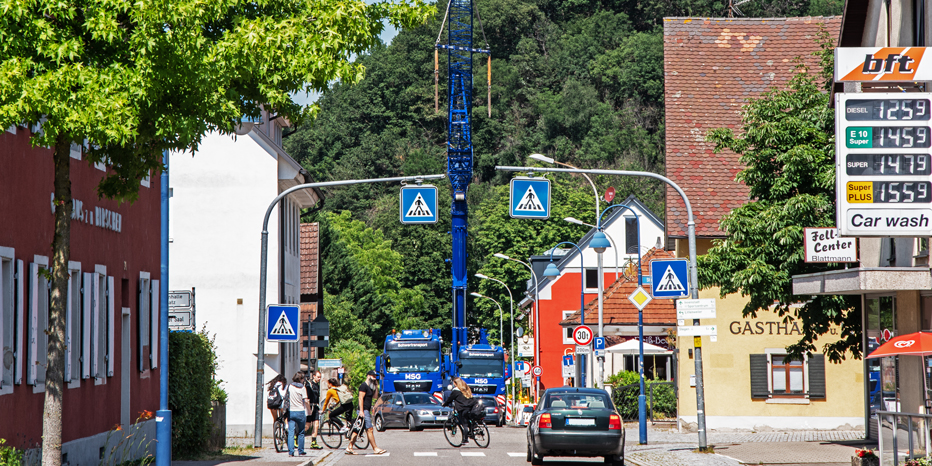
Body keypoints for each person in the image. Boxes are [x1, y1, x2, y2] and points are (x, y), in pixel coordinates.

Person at [346, 371, 386, 455]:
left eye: (375, 376)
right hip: (363, 410)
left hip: (366, 410)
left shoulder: (370, 387)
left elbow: (375, 397)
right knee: (370, 429)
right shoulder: (363, 386)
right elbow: (360, 398)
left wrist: (376, 385)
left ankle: (349, 447)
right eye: (373, 376)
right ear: (368, 376)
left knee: (357, 429)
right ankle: (375, 448)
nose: (375, 377)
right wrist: (361, 411)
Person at [442, 376, 475, 446]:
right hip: (471, 407)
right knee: (470, 421)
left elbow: (450, 399)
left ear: (455, 383)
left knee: (464, 424)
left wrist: (444, 404)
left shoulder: (456, 391)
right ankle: (472, 432)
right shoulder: (466, 389)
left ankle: (465, 439)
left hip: (463, 409)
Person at [286, 371, 311, 457]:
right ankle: (301, 451)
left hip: (291, 411)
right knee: (301, 432)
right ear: (301, 379)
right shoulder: (303, 388)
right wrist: (309, 410)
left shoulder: (290, 387)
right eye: (303, 378)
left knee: (291, 432)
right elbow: (306, 400)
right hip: (300, 411)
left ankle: (291, 452)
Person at [304, 370, 323, 450]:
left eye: (320, 377)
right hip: (309, 406)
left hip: (315, 407)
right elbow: (307, 397)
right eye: (318, 377)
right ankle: (296, 437)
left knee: (316, 425)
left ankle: (313, 442)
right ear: (314, 376)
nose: (319, 379)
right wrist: (308, 408)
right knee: (307, 426)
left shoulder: (317, 385)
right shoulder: (309, 385)